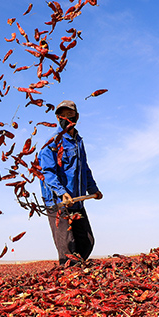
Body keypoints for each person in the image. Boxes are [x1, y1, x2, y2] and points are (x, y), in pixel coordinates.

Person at [37, 100, 103, 265]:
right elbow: (47, 172)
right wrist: (61, 192)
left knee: (87, 241)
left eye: (70, 115)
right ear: (57, 118)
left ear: (77, 116)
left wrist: (93, 189)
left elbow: (84, 169)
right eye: (62, 116)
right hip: (58, 202)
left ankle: (76, 271)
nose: (66, 119)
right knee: (67, 246)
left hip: (76, 200)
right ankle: (68, 278)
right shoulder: (51, 143)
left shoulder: (78, 141)